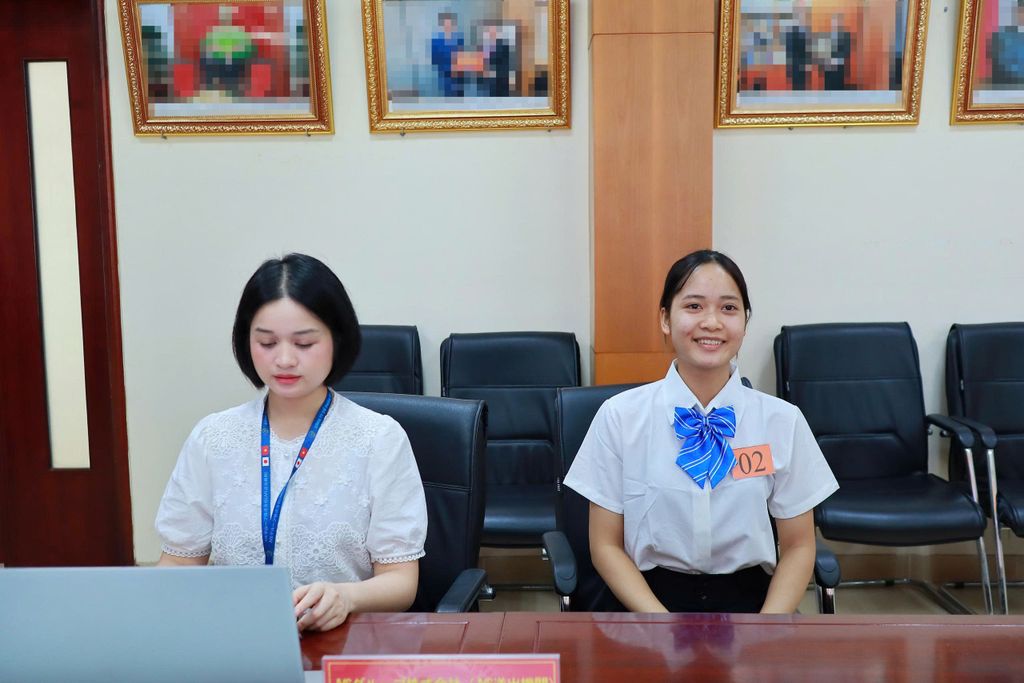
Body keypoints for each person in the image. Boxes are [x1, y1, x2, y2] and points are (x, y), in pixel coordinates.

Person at [155, 253, 427, 631]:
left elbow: (401, 581)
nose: (284, 360)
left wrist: (346, 597)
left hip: (343, 638)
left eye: (304, 343)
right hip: (237, 636)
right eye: (267, 342)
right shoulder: (212, 438)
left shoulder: (379, 440)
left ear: (337, 340)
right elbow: (179, 563)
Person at [564, 250, 838, 614]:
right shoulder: (620, 417)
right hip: (643, 601)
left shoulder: (782, 422)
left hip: (753, 604)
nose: (712, 322)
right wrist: (661, 626)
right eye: (694, 306)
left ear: (744, 322)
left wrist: (766, 628)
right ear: (665, 318)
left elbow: (799, 547)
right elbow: (605, 546)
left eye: (729, 308)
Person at [430, 12, 466, 97]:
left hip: (459, 78)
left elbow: (463, 58)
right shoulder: (436, 42)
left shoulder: (460, 40)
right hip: (445, 79)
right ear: (442, 25)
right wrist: (450, 64)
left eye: (450, 24)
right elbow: (435, 61)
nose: (448, 27)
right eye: (446, 24)